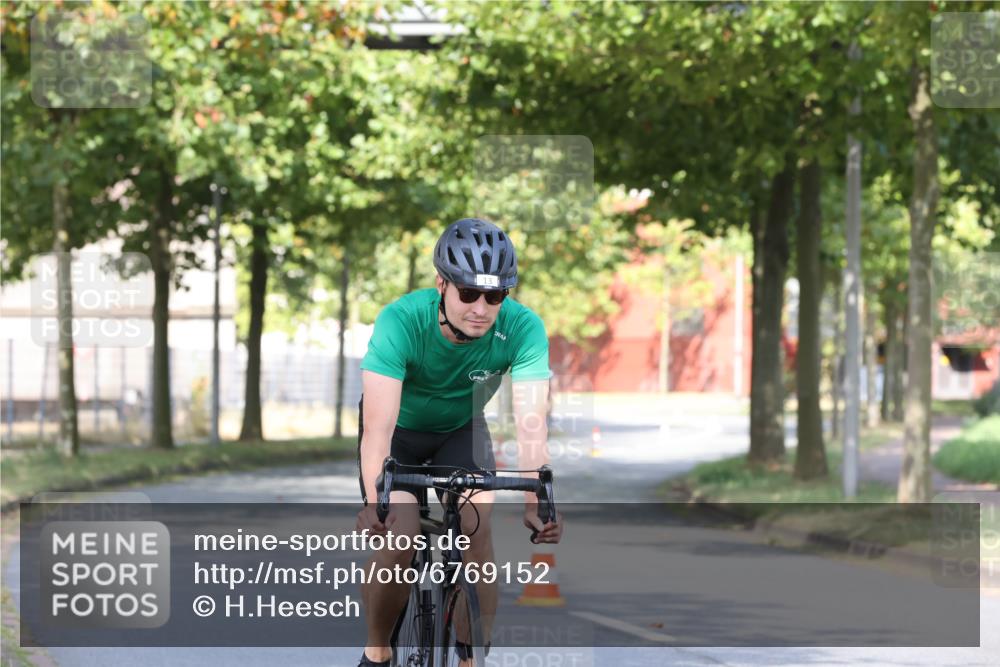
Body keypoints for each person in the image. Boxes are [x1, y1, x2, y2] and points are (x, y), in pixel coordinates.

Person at [354, 217, 563, 667]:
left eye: (494, 296)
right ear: (441, 285)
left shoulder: (524, 329)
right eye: (468, 293)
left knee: (476, 530)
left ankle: (471, 660)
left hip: (460, 431)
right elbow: (378, 430)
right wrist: (377, 500)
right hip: (399, 436)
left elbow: (531, 424)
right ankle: (377, 651)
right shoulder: (401, 321)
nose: (481, 308)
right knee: (401, 533)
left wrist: (536, 500)